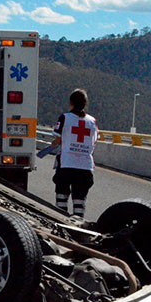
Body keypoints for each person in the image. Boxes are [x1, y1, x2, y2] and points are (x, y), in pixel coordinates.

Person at [51, 89, 99, 217]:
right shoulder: (92, 121)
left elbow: (58, 139)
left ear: (70, 103)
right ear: (85, 104)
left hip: (66, 164)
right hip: (85, 166)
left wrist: (55, 143)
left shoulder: (65, 117)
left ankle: (61, 220)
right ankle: (78, 223)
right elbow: (94, 141)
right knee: (80, 201)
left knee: (61, 198)